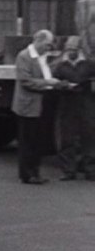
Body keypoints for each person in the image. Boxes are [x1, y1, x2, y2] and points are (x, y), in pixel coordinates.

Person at [11, 30, 65, 184]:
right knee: (28, 140)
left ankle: (35, 172)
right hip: (28, 105)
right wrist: (48, 83)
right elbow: (26, 81)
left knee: (38, 140)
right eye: (47, 44)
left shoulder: (43, 57)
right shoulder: (24, 56)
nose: (49, 48)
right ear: (38, 41)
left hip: (41, 102)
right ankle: (27, 174)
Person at [51, 36, 88, 180]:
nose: (71, 51)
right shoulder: (60, 64)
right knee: (66, 138)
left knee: (88, 137)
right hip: (66, 104)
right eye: (68, 49)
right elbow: (51, 79)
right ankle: (68, 171)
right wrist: (62, 85)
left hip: (85, 104)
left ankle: (89, 169)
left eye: (74, 49)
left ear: (79, 49)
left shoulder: (88, 64)